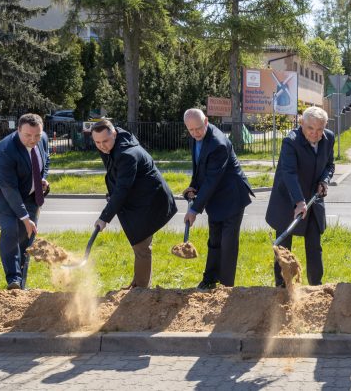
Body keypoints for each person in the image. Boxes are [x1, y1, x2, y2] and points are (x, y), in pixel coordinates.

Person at [91, 119, 178, 289]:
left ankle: (141, 290)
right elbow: (114, 173)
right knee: (140, 244)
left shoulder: (126, 155)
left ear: (114, 133)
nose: (102, 146)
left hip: (150, 201)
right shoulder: (113, 144)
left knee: (141, 246)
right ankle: (139, 283)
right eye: (97, 142)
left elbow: (123, 189)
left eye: (105, 141)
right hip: (139, 197)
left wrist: (104, 218)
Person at [182, 108, 254, 289]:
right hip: (215, 197)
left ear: (206, 121)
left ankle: (226, 286)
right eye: (191, 130)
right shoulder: (197, 137)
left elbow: (212, 179)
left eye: (198, 128)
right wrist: (193, 187)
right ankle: (209, 280)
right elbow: (200, 168)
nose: (195, 133)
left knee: (228, 244)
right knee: (214, 240)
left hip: (232, 196)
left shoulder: (218, 144)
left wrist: (194, 209)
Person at [0, 113, 49, 290]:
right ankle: (13, 279)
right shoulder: (4, 150)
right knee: (11, 229)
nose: (33, 140)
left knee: (27, 235)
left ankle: (21, 284)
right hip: (0, 193)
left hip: (29, 192)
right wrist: (24, 217)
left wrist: (43, 178)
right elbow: (9, 188)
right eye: (28, 135)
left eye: (37, 135)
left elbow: (45, 160)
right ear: (18, 130)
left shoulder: (43, 138)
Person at [266, 106, 335, 287]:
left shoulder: (329, 139)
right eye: (310, 128)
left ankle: (316, 286)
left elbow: (329, 165)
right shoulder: (291, 142)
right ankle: (282, 287)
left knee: (314, 245)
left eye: (319, 129)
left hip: (313, 200)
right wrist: (298, 201)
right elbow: (289, 173)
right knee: (283, 247)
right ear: (301, 123)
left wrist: (324, 181)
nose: (315, 133)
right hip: (288, 198)